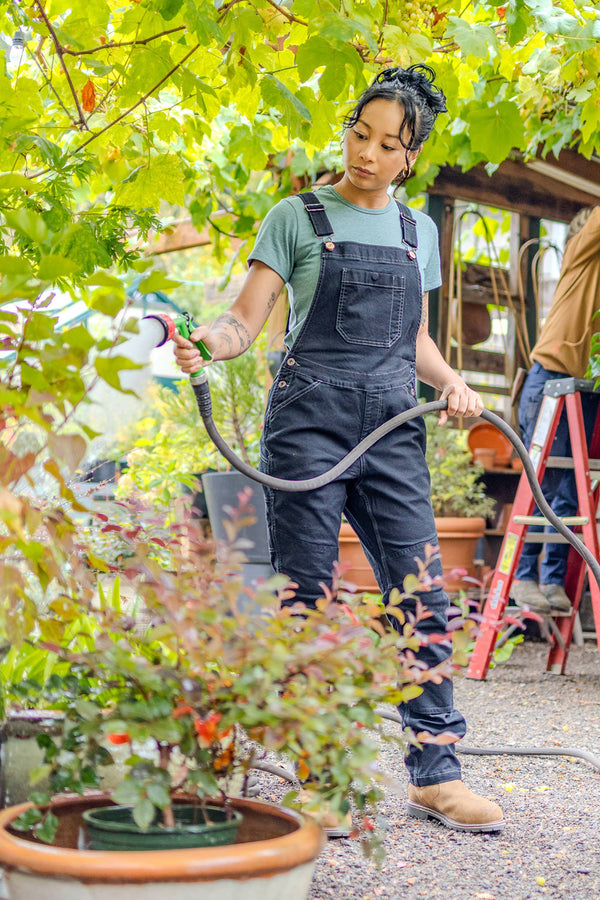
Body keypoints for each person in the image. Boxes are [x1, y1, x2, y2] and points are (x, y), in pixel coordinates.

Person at [174, 64, 504, 835]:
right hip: (307, 421)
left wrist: (455, 383)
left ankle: (436, 771)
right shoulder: (295, 217)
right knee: (306, 594)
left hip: (392, 424)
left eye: (388, 144)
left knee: (418, 586)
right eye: (360, 133)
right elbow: (244, 320)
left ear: (409, 157)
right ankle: (317, 776)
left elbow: (415, 339)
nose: (366, 153)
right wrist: (209, 346)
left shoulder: (416, 231)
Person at [511, 206, 600, 615]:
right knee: (543, 484)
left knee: (567, 493)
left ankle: (549, 579)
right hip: (550, 379)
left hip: (585, 386)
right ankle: (523, 577)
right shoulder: (580, 256)